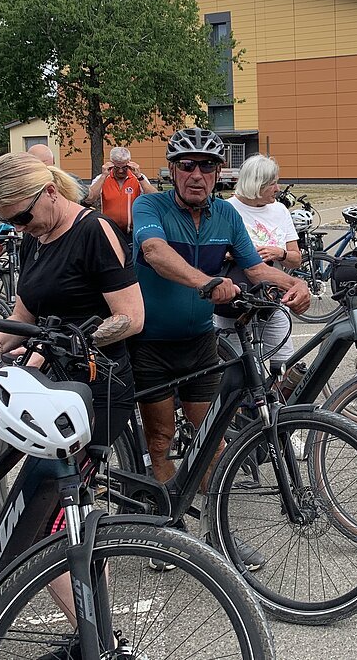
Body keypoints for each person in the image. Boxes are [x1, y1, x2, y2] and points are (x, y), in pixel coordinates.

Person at [0, 151, 145, 617]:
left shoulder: (94, 231)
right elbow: (25, 314)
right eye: (11, 222)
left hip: (94, 392)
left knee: (50, 523)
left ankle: (97, 634)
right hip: (48, 392)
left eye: (22, 218)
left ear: (49, 192)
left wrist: (69, 342)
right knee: (57, 513)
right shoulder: (36, 238)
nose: (19, 228)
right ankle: (94, 630)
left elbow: (131, 317)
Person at [129, 128, 310, 483]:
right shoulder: (149, 205)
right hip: (151, 343)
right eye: (187, 165)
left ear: (218, 172)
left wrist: (295, 284)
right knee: (161, 439)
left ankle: (211, 505)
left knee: (212, 437)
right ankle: (170, 511)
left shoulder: (226, 214)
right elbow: (154, 251)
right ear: (172, 170)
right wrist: (207, 282)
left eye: (207, 166)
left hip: (200, 343)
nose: (197, 175)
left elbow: (255, 268)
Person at [219, 154, 303, 372]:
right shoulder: (225, 209)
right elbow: (210, 256)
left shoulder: (280, 210)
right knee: (238, 370)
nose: (278, 189)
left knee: (285, 367)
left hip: (274, 299)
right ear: (257, 184)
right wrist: (236, 253)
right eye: (272, 183)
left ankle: (276, 396)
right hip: (236, 304)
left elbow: (296, 259)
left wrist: (280, 253)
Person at [84, 146, 157, 239]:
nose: (121, 171)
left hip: (132, 232)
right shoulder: (102, 178)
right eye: (117, 167)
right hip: (109, 231)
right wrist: (103, 176)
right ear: (111, 164)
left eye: (124, 167)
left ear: (129, 163)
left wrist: (139, 176)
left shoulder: (138, 178)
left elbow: (154, 197)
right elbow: (90, 199)